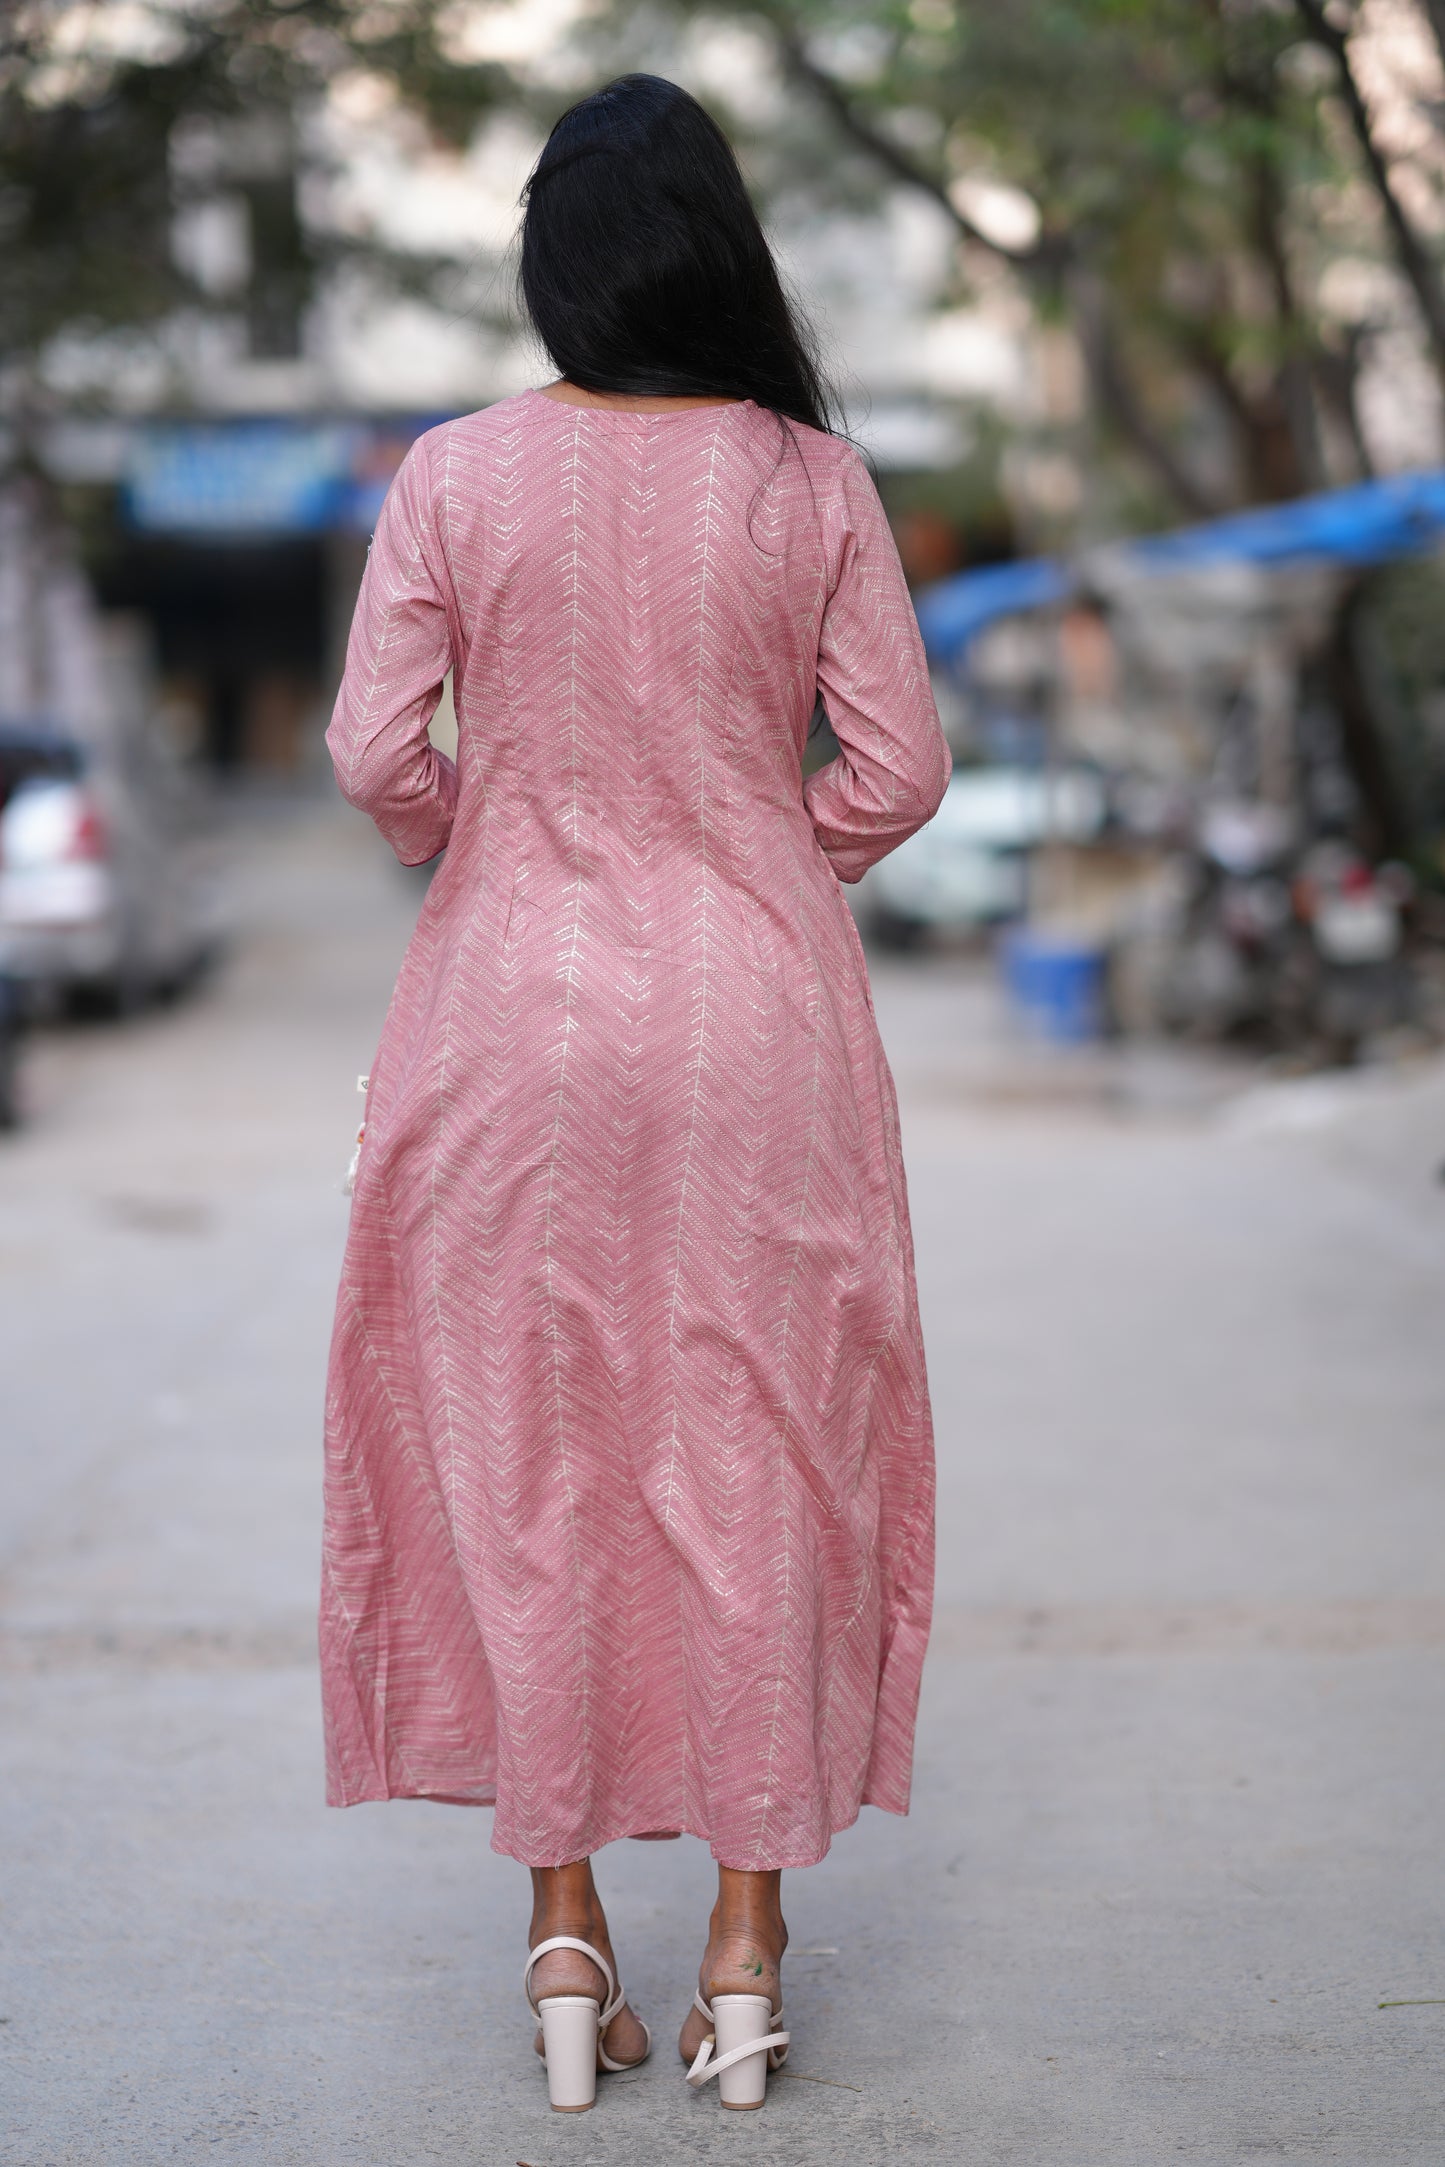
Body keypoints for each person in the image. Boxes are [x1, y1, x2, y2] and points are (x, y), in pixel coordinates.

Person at [322, 72, 951, 2115]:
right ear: (723, 253)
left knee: (530, 1454)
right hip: (758, 1028)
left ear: (554, 273)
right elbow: (900, 773)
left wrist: (472, 832)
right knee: (764, 1447)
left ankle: (566, 1928)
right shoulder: (809, 479)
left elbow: (368, 753)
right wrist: (776, 863)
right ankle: (749, 1955)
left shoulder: (453, 474)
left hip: (505, 1029)